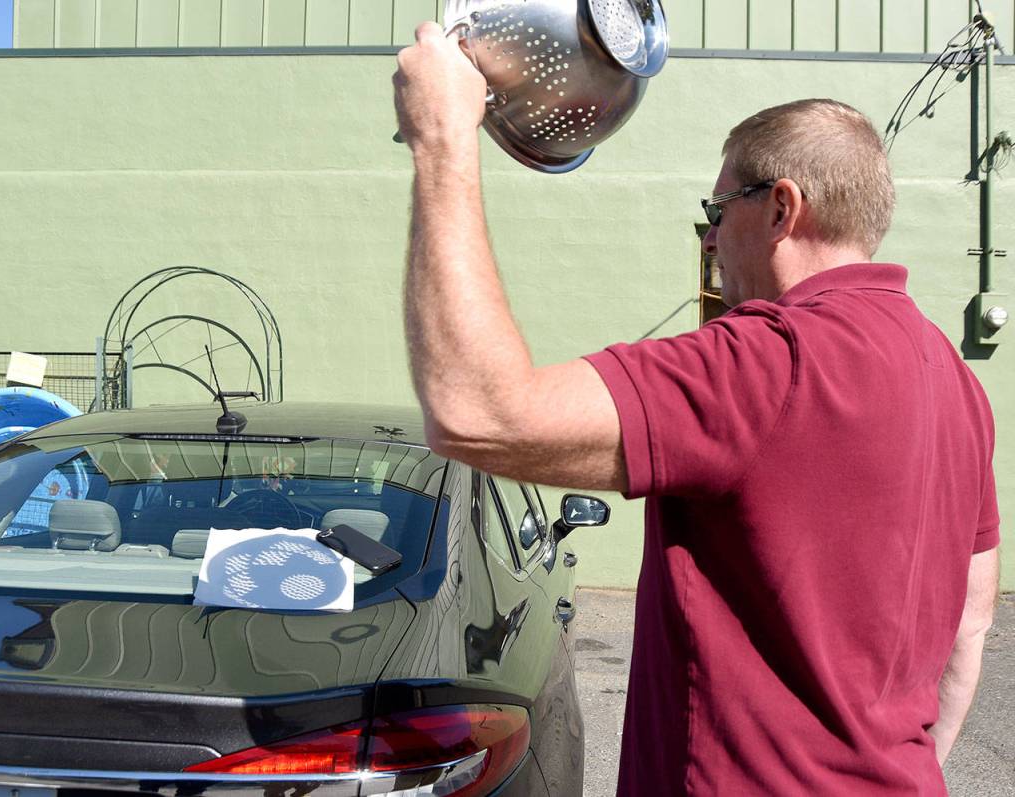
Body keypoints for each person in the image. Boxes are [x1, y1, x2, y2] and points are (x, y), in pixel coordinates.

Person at [393, 23, 1000, 796]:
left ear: (782, 208)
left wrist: (442, 139)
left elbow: (477, 412)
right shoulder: (955, 379)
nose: (712, 238)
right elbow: (968, 631)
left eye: (719, 209)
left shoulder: (765, 361)